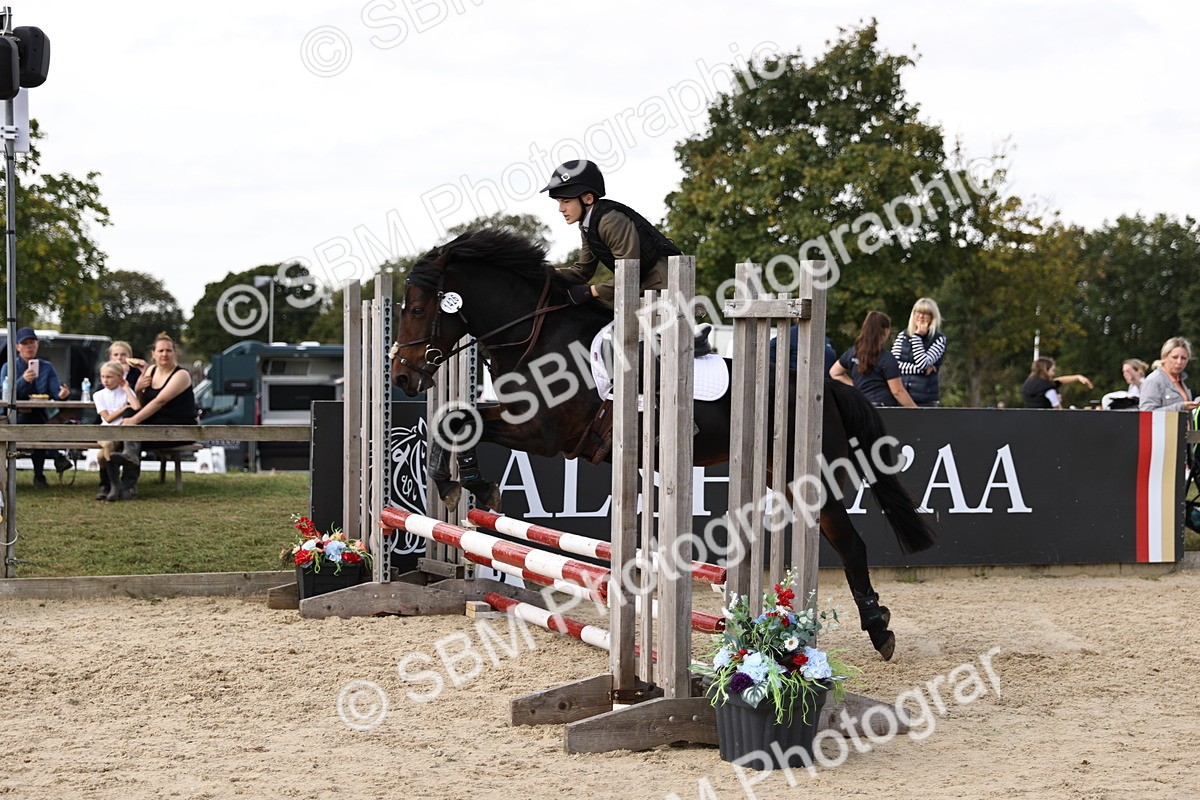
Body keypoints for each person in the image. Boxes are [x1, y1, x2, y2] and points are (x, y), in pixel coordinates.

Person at [540, 159, 681, 305]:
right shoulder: (587, 225)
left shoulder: (610, 220)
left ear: (588, 199)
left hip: (663, 288)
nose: (561, 209)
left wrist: (590, 291)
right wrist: (547, 272)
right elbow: (582, 271)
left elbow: (630, 273)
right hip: (642, 290)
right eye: (559, 202)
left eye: (566, 201)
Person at [113, 333, 199, 498]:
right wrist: (138, 389)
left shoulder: (181, 375)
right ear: (153, 354)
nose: (164, 354)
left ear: (174, 353)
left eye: (168, 350)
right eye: (160, 351)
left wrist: (134, 421)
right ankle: (114, 482)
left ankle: (128, 485)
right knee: (129, 413)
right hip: (154, 422)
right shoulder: (150, 370)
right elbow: (139, 404)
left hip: (178, 426)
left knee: (133, 432)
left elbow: (160, 401)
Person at [0, 327, 72, 487]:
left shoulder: (47, 367)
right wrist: (23, 381)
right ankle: (52, 462)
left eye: (32, 342)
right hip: (13, 416)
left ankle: (44, 470)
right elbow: (4, 394)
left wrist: (63, 394)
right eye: (24, 343)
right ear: (17, 347)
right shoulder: (8, 367)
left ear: (37, 344)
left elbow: (55, 392)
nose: (29, 346)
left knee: (37, 421)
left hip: (39, 413)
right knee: (38, 424)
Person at [829, 311, 917, 407]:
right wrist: (916, 410)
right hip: (882, 409)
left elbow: (834, 372)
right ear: (885, 331)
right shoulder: (886, 358)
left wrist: (855, 388)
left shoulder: (852, 353)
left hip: (860, 406)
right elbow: (898, 391)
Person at [93, 360, 142, 501]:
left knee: (101, 456)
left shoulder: (125, 392)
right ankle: (113, 485)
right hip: (105, 431)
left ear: (120, 378)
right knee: (107, 445)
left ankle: (106, 484)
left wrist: (126, 388)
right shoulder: (99, 395)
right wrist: (124, 408)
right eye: (103, 377)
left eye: (109, 377)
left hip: (121, 433)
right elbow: (107, 418)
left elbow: (136, 406)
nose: (105, 380)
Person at [891, 298, 948, 407]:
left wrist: (917, 337)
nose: (921, 316)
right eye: (918, 312)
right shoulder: (903, 336)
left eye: (925, 313)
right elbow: (893, 365)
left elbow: (923, 363)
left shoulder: (939, 339)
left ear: (932, 317)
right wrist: (920, 370)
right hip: (902, 396)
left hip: (925, 399)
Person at [1139, 337, 1198, 413]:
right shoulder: (1153, 380)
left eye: (1183, 358)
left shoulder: (1181, 379)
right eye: (1175, 357)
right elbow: (1146, 413)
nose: (1179, 362)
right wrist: (1181, 407)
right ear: (1164, 357)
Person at [1021, 357, 1093, 409]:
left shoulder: (1029, 383)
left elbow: (1057, 381)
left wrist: (1077, 377)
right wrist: (1057, 400)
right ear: (1045, 370)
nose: (1054, 373)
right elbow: (1058, 409)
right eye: (1053, 370)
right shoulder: (1048, 389)